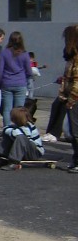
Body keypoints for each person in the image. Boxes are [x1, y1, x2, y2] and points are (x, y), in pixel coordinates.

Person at [0, 31, 32, 128]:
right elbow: (29, 71)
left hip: (7, 82)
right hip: (20, 83)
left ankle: (7, 129)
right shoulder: (24, 54)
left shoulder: (4, 53)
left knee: (7, 109)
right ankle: (19, 128)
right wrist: (27, 78)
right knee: (19, 109)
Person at [56, 24, 78, 173]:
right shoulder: (72, 58)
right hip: (70, 96)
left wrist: (71, 99)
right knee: (73, 131)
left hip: (74, 98)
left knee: (76, 131)